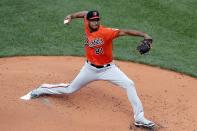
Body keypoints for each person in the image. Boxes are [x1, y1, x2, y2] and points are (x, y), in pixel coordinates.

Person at [27, 10, 155, 128]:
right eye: (93, 20)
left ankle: (139, 117)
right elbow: (84, 13)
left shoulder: (106, 32)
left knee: (129, 84)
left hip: (109, 69)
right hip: (89, 69)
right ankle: (42, 89)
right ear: (88, 21)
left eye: (97, 20)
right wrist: (71, 16)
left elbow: (124, 32)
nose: (95, 22)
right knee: (70, 89)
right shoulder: (86, 23)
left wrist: (145, 35)